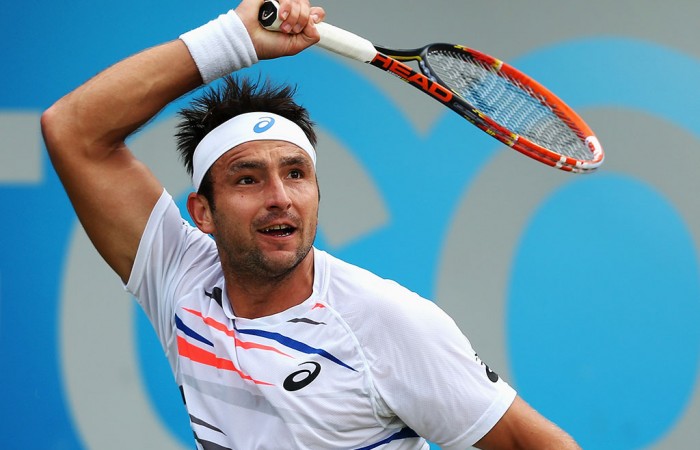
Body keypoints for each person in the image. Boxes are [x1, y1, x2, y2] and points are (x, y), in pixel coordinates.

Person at [41, 0, 582, 448]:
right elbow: (72, 130)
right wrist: (234, 39)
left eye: (296, 173)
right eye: (248, 179)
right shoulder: (180, 278)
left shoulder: (385, 323)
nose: (280, 198)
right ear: (202, 212)